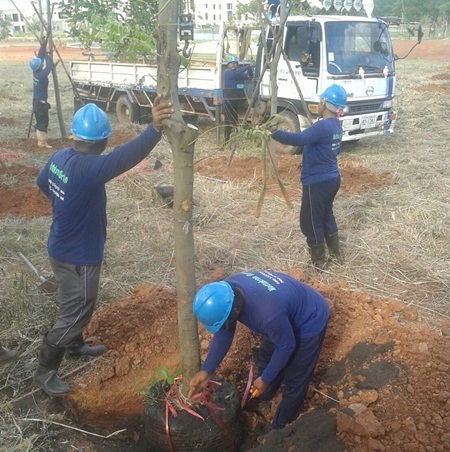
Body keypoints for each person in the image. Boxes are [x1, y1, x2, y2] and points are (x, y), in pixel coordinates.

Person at [34, 96, 174, 396]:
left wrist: (66, 204)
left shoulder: (59, 158)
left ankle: (74, 344)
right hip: (79, 255)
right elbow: (124, 157)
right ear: (102, 141)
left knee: (72, 300)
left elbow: (43, 183)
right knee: (78, 308)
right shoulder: (90, 169)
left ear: (75, 136)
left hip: (59, 246)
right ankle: (45, 372)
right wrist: (154, 129)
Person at [188, 270, 329, 431]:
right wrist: (207, 370)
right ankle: (264, 395)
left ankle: (280, 429)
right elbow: (225, 330)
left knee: (295, 379)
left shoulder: (267, 315)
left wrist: (266, 379)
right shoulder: (227, 293)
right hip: (281, 311)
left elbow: (286, 345)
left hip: (309, 317)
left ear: (234, 311)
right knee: (266, 358)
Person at [270, 84, 347, 268]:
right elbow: (329, 150)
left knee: (310, 222)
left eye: (320, 101)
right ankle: (336, 256)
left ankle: (318, 263)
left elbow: (300, 139)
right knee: (326, 216)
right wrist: (307, 161)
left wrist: (275, 133)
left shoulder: (322, 126)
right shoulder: (336, 126)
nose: (318, 104)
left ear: (325, 103)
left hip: (317, 182)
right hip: (332, 178)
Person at [223, 56, 254, 143]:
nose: (233, 65)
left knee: (234, 120)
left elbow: (249, 77)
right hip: (228, 101)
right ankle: (226, 139)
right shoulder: (227, 73)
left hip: (236, 101)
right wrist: (248, 66)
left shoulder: (239, 74)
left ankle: (234, 138)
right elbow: (236, 73)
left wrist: (250, 69)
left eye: (235, 63)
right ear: (228, 65)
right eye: (231, 63)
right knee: (228, 121)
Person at [30, 37, 53, 148]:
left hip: (36, 102)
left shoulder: (36, 73)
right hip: (40, 103)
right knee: (42, 123)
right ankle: (42, 143)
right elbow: (50, 66)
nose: (42, 64)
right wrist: (47, 56)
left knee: (41, 122)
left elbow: (39, 58)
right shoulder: (42, 75)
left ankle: (42, 142)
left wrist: (43, 46)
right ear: (40, 66)